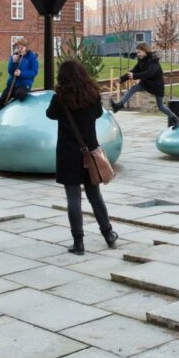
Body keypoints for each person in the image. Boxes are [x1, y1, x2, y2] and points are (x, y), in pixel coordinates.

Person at [45, 60, 118, 255]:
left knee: (73, 199)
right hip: (89, 153)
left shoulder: (60, 98)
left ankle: (78, 243)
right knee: (95, 196)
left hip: (68, 154)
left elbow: (50, 115)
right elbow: (96, 114)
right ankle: (108, 234)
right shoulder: (92, 95)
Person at [110, 42, 179, 128]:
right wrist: (120, 79)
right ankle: (119, 106)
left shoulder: (153, 60)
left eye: (139, 52)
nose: (137, 54)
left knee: (161, 106)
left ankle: (175, 118)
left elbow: (149, 73)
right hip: (146, 83)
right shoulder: (141, 61)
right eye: (137, 52)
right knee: (133, 88)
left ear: (145, 51)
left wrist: (135, 76)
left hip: (157, 86)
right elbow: (133, 71)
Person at [0, 40, 38, 128]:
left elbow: (34, 72)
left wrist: (21, 73)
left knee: (20, 94)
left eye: (20, 47)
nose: (19, 49)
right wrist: (13, 62)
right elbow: (10, 71)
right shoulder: (14, 57)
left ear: (25, 47)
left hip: (24, 84)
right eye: (17, 47)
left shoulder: (31, 57)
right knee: (1, 101)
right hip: (12, 84)